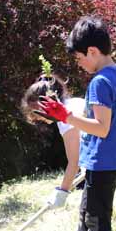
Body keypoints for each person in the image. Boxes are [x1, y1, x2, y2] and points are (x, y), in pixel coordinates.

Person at [41, 16, 116, 231]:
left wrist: (67, 116)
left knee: (97, 221)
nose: (79, 64)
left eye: (80, 57)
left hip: (104, 162)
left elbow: (101, 128)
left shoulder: (100, 82)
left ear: (93, 51)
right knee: (90, 211)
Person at [19, 72, 83, 206]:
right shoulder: (73, 103)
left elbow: (74, 161)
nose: (35, 117)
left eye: (35, 111)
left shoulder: (67, 117)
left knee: (90, 213)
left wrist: (62, 192)